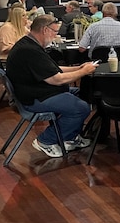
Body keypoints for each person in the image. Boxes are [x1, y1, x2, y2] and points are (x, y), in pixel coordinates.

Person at [5, 15, 97, 157]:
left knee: (82, 93)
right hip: (34, 98)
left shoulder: (30, 44)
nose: (56, 35)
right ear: (44, 30)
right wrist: (83, 72)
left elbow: (54, 69)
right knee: (81, 107)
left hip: (36, 91)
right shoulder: (29, 50)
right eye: (54, 31)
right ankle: (46, 140)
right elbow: (56, 79)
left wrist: (79, 68)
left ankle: (69, 137)